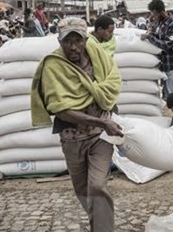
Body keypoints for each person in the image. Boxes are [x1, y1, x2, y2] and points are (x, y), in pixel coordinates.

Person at [30, 18, 123, 232]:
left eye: (78, 41)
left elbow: (111, 80)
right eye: (67, 41)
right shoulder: (53, 66)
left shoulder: (97, 56)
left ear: (85, 39)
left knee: (98, 186)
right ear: (59, 41)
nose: (73, 47)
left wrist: (105, 113)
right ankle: (99, 225)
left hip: (100, 136)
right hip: (72, 139)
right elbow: (60, 109)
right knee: (83, 192)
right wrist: (102, 121)